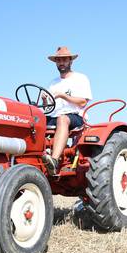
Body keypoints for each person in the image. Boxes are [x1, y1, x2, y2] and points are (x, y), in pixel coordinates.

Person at [42, 46, 92, 174]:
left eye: (64, 60)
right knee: (34, 121)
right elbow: (48, 107)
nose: (61, 63)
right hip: (54, 116)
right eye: (59, 60)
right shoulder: (53, 83)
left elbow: (83, 102)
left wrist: (63, 95)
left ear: (71, 61)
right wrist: (44, 101)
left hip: (74, 116)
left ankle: (54, 160)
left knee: (62, 119)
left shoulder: (80, 78)